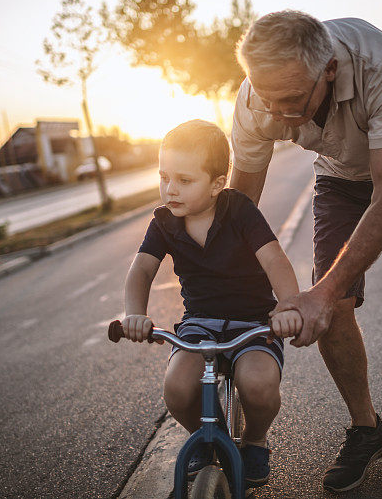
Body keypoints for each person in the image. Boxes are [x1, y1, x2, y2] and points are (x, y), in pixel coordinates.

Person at [230, 11, 382, 493]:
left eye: (292, 101)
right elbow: (241, 207)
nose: (276, 115)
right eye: (267, 99)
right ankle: (365, 428)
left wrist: (319, 293)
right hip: (339, 171)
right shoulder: (260, 99)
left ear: (329, 70)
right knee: (332, 307)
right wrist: (225, 280)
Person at [110, 120, 302, 488]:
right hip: (200, 322)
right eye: (164, 177)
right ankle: (208, 436)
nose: (170, 189)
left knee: (258, 384)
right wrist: (134, 313)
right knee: (178, 388)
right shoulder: (165, 222)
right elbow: (141, 270)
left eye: (184, 180)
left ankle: (256, 439)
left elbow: (275, 259)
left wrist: (289, 306)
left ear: (217, 184)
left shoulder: (239, 210)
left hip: (254, 322)